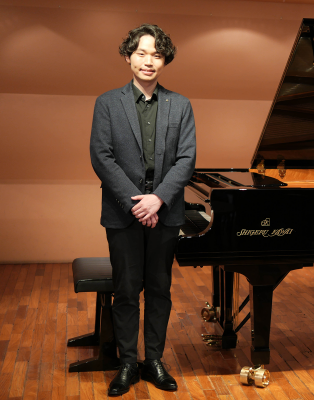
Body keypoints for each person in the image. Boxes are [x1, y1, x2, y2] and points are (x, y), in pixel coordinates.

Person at [90, 23, 196, 396]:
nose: (149, 61)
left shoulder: (180, 105)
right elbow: (101, 157)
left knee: (159, 289)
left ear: (164, 60)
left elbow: (186, 159)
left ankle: (153, 360)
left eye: (157, 54)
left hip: (165, 212)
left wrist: (158, 199)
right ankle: (127, 363)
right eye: (141, 53)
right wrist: (137, 202)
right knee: (125, 291)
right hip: (124, 212)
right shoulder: (107, 103)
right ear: (128, 57)